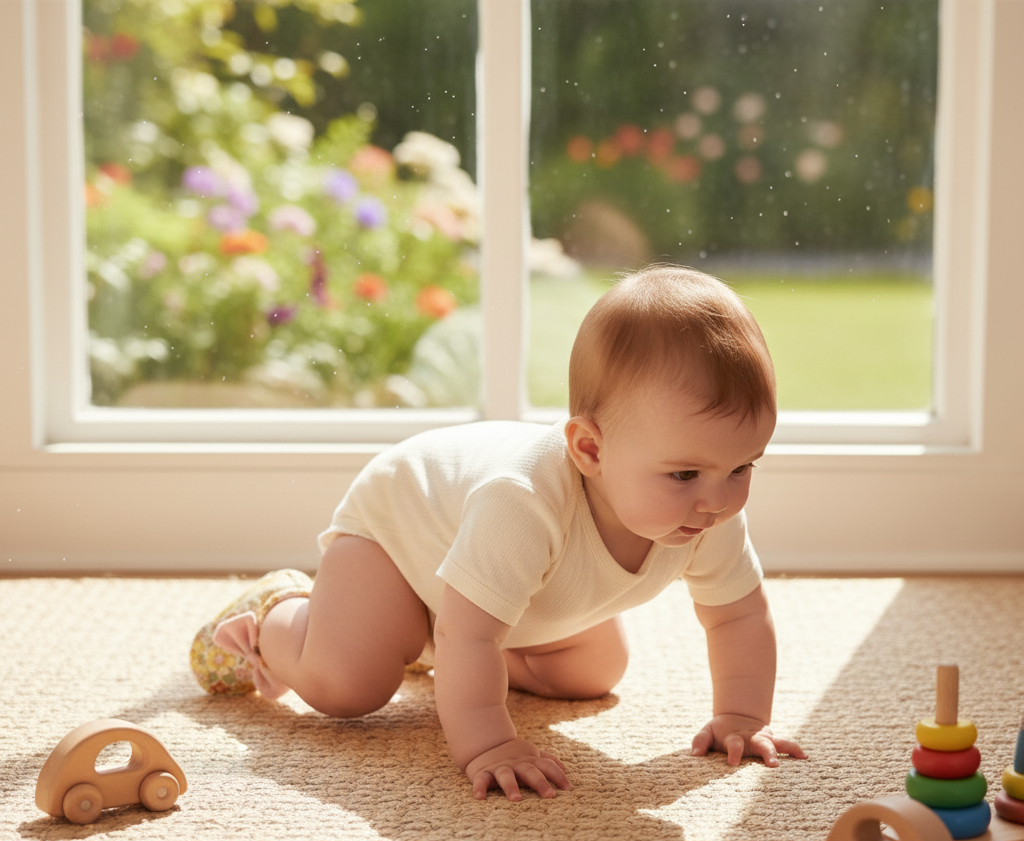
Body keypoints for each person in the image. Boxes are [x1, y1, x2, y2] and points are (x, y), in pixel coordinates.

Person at [191, 264, 807, 800]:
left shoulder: (706, 508)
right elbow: (471, 634)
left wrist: (741, 716)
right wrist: (488, 742)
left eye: (742, 467)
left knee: (593, 672)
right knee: (349, 684)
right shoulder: (522, 503)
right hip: (398, 545)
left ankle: (431, 640)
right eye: (684, 473)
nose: (718, 499)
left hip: (486, 584)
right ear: (590, 449)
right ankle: (276, 616)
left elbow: (738, 617)